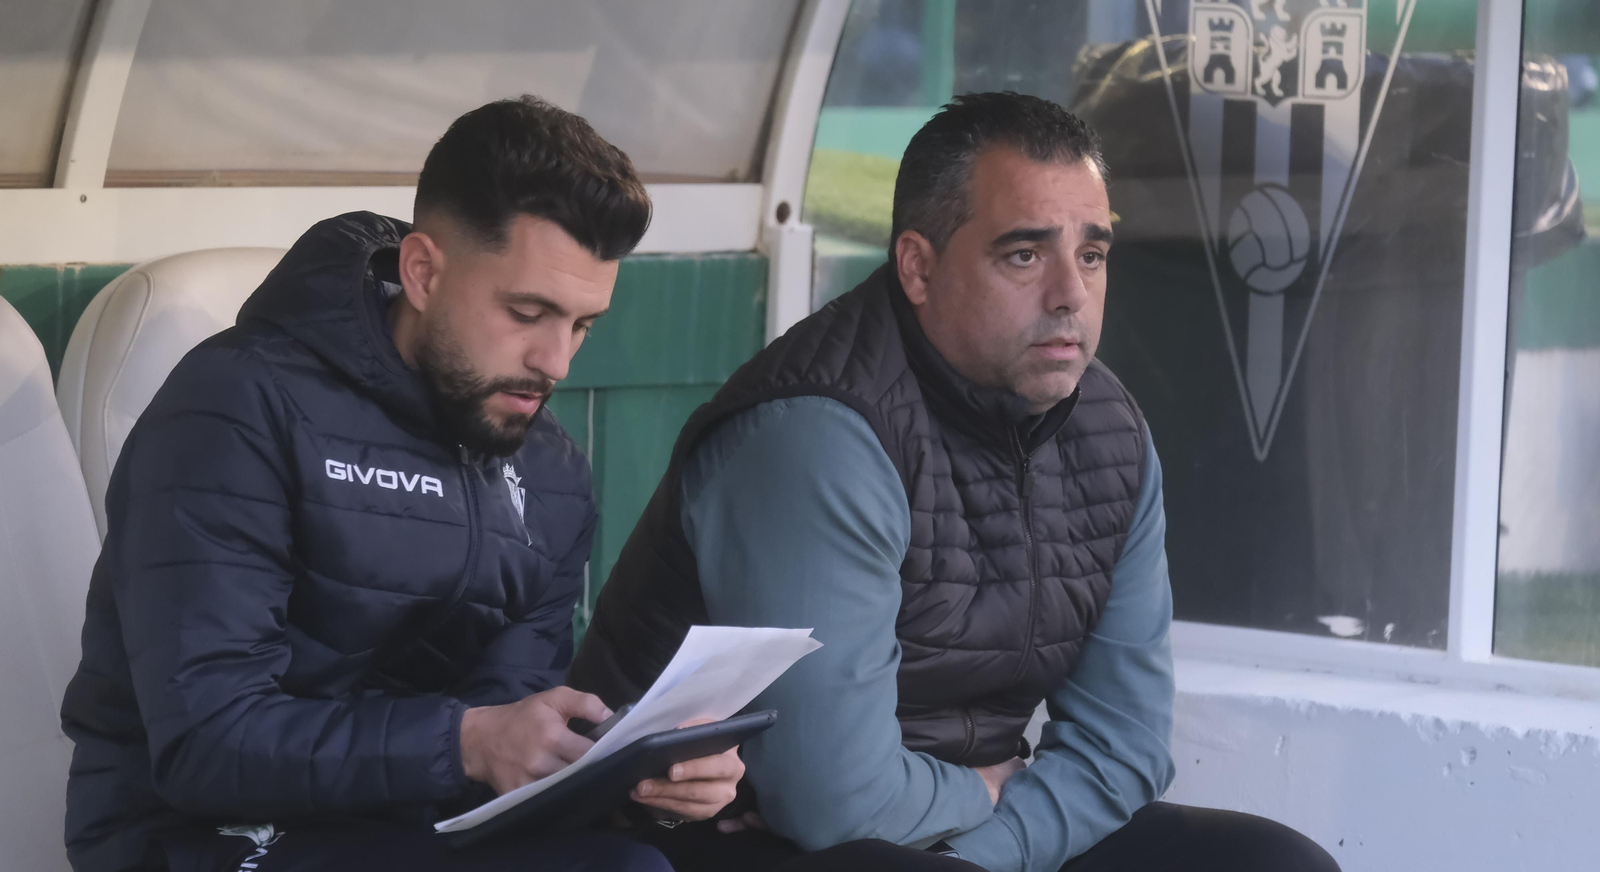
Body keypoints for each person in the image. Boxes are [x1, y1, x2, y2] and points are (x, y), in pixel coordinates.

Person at [570, 92, 1342, 872]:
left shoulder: (1112, 430)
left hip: (970, 825)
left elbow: (1126, 746)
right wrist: (986, 790)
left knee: (1276, 864)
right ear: (919, 266)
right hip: (748, 842)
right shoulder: (818, 433)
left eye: (1092, 255)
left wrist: (997, 838)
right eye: (1024, 255)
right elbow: (835, 802)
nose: (1070, 294)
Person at [58, 96, 745, 872]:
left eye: (582, 325)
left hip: (410, 829)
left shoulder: (549, 473)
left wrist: (635, 779)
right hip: (196, 838)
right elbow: (205, 743)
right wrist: (466, 741)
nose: (555, 361)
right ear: (422, 272)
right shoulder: (236, 406)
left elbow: (504, 743)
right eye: (527, 312)